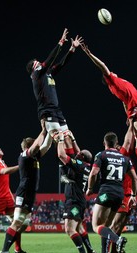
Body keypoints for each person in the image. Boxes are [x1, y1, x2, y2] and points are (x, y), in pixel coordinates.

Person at [80, 43, 137, 182]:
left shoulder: (116, 84)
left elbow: (124, 100)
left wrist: (126, 114)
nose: (112, 72)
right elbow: (102, 66)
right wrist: (89, 54)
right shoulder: (112, 80)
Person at [26, 28, 83, 181]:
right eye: (37, 63)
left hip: (56, 110)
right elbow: (50, 60)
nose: (40, 64)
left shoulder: (48, 74)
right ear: (34, 68)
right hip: (46, 111)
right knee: (59, 138)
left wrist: (71, 49)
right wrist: (61, 42)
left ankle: (73, 169)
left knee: (66, 137)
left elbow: (61, 64)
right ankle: (64, 171)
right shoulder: (36, 75)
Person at [0, 119, 52, 253]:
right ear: (29, 146)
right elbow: (37, 145)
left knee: (24, 223)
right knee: (17, 221)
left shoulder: (34, 157)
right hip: (24, 191)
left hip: (30, 192)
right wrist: (43, 130)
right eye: (34, 144)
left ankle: (14, 248)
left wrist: (52, 132)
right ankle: (4, 251)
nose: (37, 146)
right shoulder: (25, 155)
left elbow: (46, 145)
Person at [86, 131, 137, 253]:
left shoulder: (101, 155)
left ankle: (117, 239)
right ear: (116, 144)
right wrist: (133, 195)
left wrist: (90, 188)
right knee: (106, 227)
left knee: (95, 226)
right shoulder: (125, 158)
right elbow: (135, 178)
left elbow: (93, 173)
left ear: (104, 143)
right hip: (120, 194)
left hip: (106, 192)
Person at [55, 130, 97, 253]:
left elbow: (61, 155)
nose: (76, 153)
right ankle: (90, 251)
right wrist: (72, 139)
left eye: (78, 154)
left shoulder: (79, 165)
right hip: (80, 200)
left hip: (74, 201)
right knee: (79, 227)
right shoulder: (87, 166)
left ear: (81, 158)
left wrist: (61, 139)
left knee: (69, 229)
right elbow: (80, 153)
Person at [108, 118, 136, 253]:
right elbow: (128, 140)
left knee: (120, 227)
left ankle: (113, 251)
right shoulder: (121, 157)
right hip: (121, 195)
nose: (120, 148)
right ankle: (106, 251)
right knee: (115, 226)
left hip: (128, 195)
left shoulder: (125, 159)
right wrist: (131, 125)